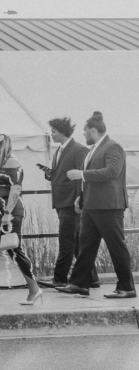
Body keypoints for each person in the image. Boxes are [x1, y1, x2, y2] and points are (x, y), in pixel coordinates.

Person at [59, 112, 135, 299]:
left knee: (116, 246)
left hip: (109, 206)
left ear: (93, 130)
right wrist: (82, 197)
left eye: (85, 131)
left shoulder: (113, 147)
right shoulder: (95, 149)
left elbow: (112, 172)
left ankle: (126, 287)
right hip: (92, 206)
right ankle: (79, 284)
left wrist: (82, 174)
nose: (83, 135)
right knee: (86, 245)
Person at [0, 134, 42, 306]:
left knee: (14, 250)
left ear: (0, 145)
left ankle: (34, 288)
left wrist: (7, 213)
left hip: (8, 212)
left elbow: (16, 188)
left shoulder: (12, 162)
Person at [38, 117, 95, 289]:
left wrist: (80, 199)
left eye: (53, 131)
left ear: (62, 132)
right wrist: (51, 174)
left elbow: (82, 177)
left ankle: (60, 278)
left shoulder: (78, 150)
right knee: (75, 240)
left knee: (66, 240)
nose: (51, 134)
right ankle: (92, 277)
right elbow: (65, 174)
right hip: (62, 201)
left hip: (71, 202)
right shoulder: (60, 150)